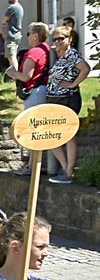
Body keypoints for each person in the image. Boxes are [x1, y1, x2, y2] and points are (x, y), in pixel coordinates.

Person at [46, 27, 90, 184]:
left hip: (67, 99)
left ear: (70, 39)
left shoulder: (72, 55)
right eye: (55, 39)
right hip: (55, 100)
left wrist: (72, 84)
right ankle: (65, 168)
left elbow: (85, 68)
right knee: (50, 135)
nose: (57, 41)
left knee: (68, 135)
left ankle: (69, 171)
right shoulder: (61, 56)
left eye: (61, 38)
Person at [5, 22, 51, 113]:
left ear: (35, 36)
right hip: (43, 90)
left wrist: (12, 72)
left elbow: (26, 77)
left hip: (34, 94)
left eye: (28, 34)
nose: (27, 37)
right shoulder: (46, 48)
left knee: (32, 123)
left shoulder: (34, 52)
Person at [3, 0, 25, 68]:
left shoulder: (12, 8)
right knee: (12, 56)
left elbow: (4, 20)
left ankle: (15, 76)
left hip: (11, 35)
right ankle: (14, 75)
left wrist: (4, 33)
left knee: (12, 57)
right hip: (17, 34)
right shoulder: (20, 7)